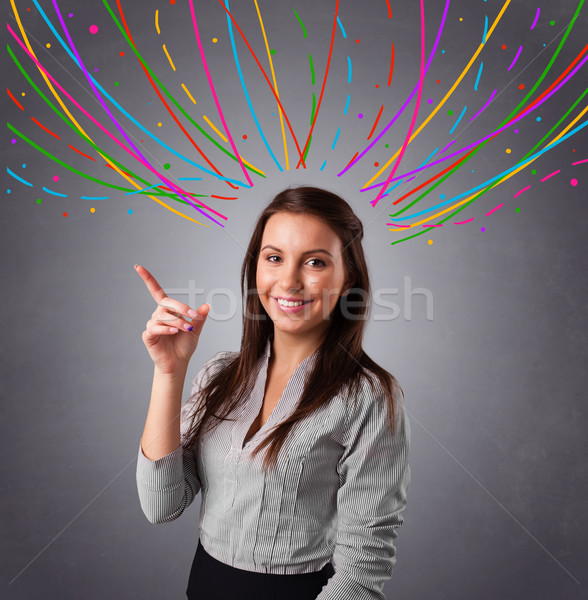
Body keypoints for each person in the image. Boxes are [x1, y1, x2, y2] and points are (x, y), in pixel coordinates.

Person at [135, 185, 411, 600]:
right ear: (256, 267)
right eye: (274, 258)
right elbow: (163, 505)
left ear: (347, 277)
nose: (288, 281)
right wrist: (169, 373)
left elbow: (362, 570)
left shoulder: (369, 396)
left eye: (315, 262)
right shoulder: (219, 374)